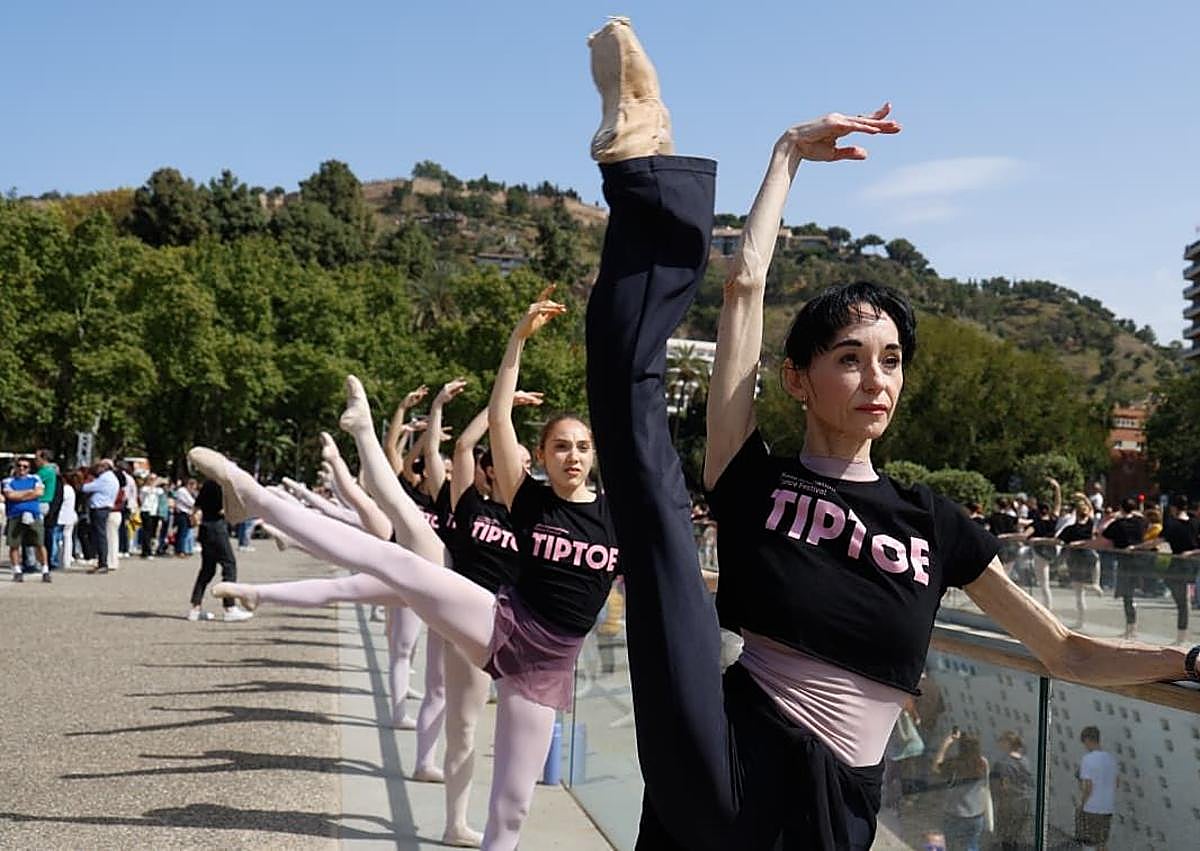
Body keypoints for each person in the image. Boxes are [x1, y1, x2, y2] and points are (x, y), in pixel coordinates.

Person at [577, 17, 1200, 851]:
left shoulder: (937, 523)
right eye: (849, 358)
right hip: (730, 749)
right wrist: (788, 154)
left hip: (838, 805)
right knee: (649, 487)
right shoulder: (757, 476)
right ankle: (646, 175)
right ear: (797, 379)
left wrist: (1186, 662)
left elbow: (1066, 653)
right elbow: (745, 288)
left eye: (893, 360)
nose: (877, 378)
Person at [192, 341, 619, 851]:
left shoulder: (616, 520)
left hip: (547, 666)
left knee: (512, 805)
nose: (572, 455)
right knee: (390, 559)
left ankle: (461, 822)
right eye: (560, 446)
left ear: (595, 455)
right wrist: (519, 339)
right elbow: (495, 423)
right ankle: (253, 493)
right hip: (498, 617)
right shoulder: (527, 500)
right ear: (542, 457)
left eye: (582, 446)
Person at [187, 476, 251, 622]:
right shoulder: (223, 486)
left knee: (207, 569)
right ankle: (229, 607)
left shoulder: (207, 483)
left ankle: (195, 608)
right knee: (229, 565)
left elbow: (197, 506)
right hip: (217, 527)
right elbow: (224, 510)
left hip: (205, 527)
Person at [933, 731, 989, 851]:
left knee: (952, 846)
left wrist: (946, 743)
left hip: (955, 813)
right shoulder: (982, 763)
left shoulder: (954, 764)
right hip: (977, 813)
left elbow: (936, 767)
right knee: (972, 845)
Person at [4, 457, 49, 582]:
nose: (22, 469)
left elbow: (39, 493)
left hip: (33, 514)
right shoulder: (8, 481)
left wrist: (20, 495)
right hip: (15, 515)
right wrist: (29, 493)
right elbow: (10, 495)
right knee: (14, 544)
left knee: (39, 543)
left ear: (29, 469)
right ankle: (17, 570)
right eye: (19, 466)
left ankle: (45, 569)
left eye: (25, 466)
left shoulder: (35, 478)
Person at [990, 731, 1034, 851]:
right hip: (1024, 802)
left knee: (1006, 837)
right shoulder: (1025, 760)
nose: (1000, 745)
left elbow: (1004, 785)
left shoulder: (1002, 763)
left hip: (1009, 803)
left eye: (1002, 742)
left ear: (1008, 744)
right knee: (1016, 835)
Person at [1075, 726, 1117, 851]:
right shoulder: (1111, 759)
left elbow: (1088, 786)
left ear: (1088, 740)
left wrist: (1081, 804)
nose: (1085, 746)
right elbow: (1116, 782)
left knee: (1089, 844)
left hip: (1092, 808)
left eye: (1084, 743)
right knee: (1102, 844)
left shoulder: (1087, 759)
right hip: (1107, 808)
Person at [80, 458, 119, 574]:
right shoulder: (112, 478)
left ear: (105, 467)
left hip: (99, 509)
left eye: (99, 466)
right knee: (100, 535)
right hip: (104, 508)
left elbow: (85, 488)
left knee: (100, 536)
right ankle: (101, 562)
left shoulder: (105, 478)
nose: (97, 468)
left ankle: (103, 563)